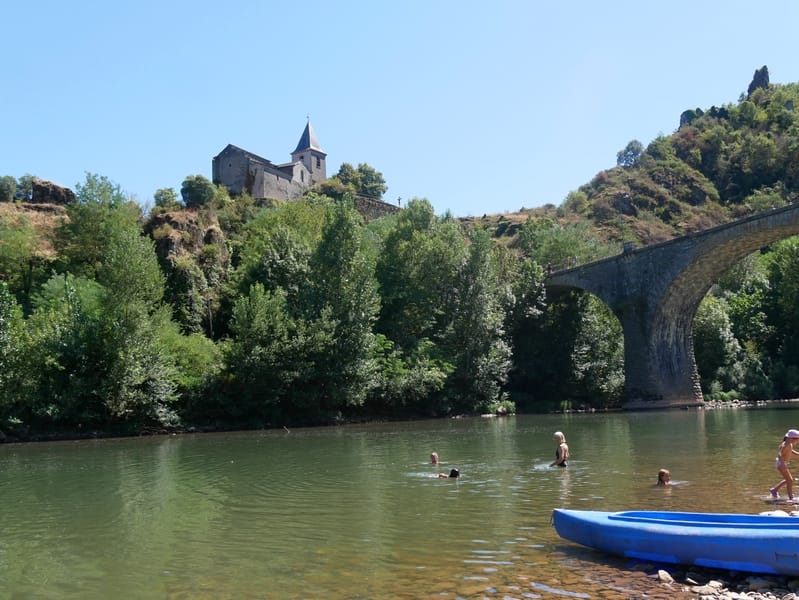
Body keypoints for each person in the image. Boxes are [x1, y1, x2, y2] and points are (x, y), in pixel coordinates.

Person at [770, 429, 799, 499]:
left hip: (783, 463)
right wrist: (782, 464)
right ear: (793, 439)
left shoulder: (789, 444)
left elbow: (790, 451)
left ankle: (774, 490)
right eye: (798, 440)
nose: (798, 442)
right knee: (790, 480)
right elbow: (780, 454)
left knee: (789, 479)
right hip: (781, 464)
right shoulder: (786, 445)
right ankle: (791, 498)